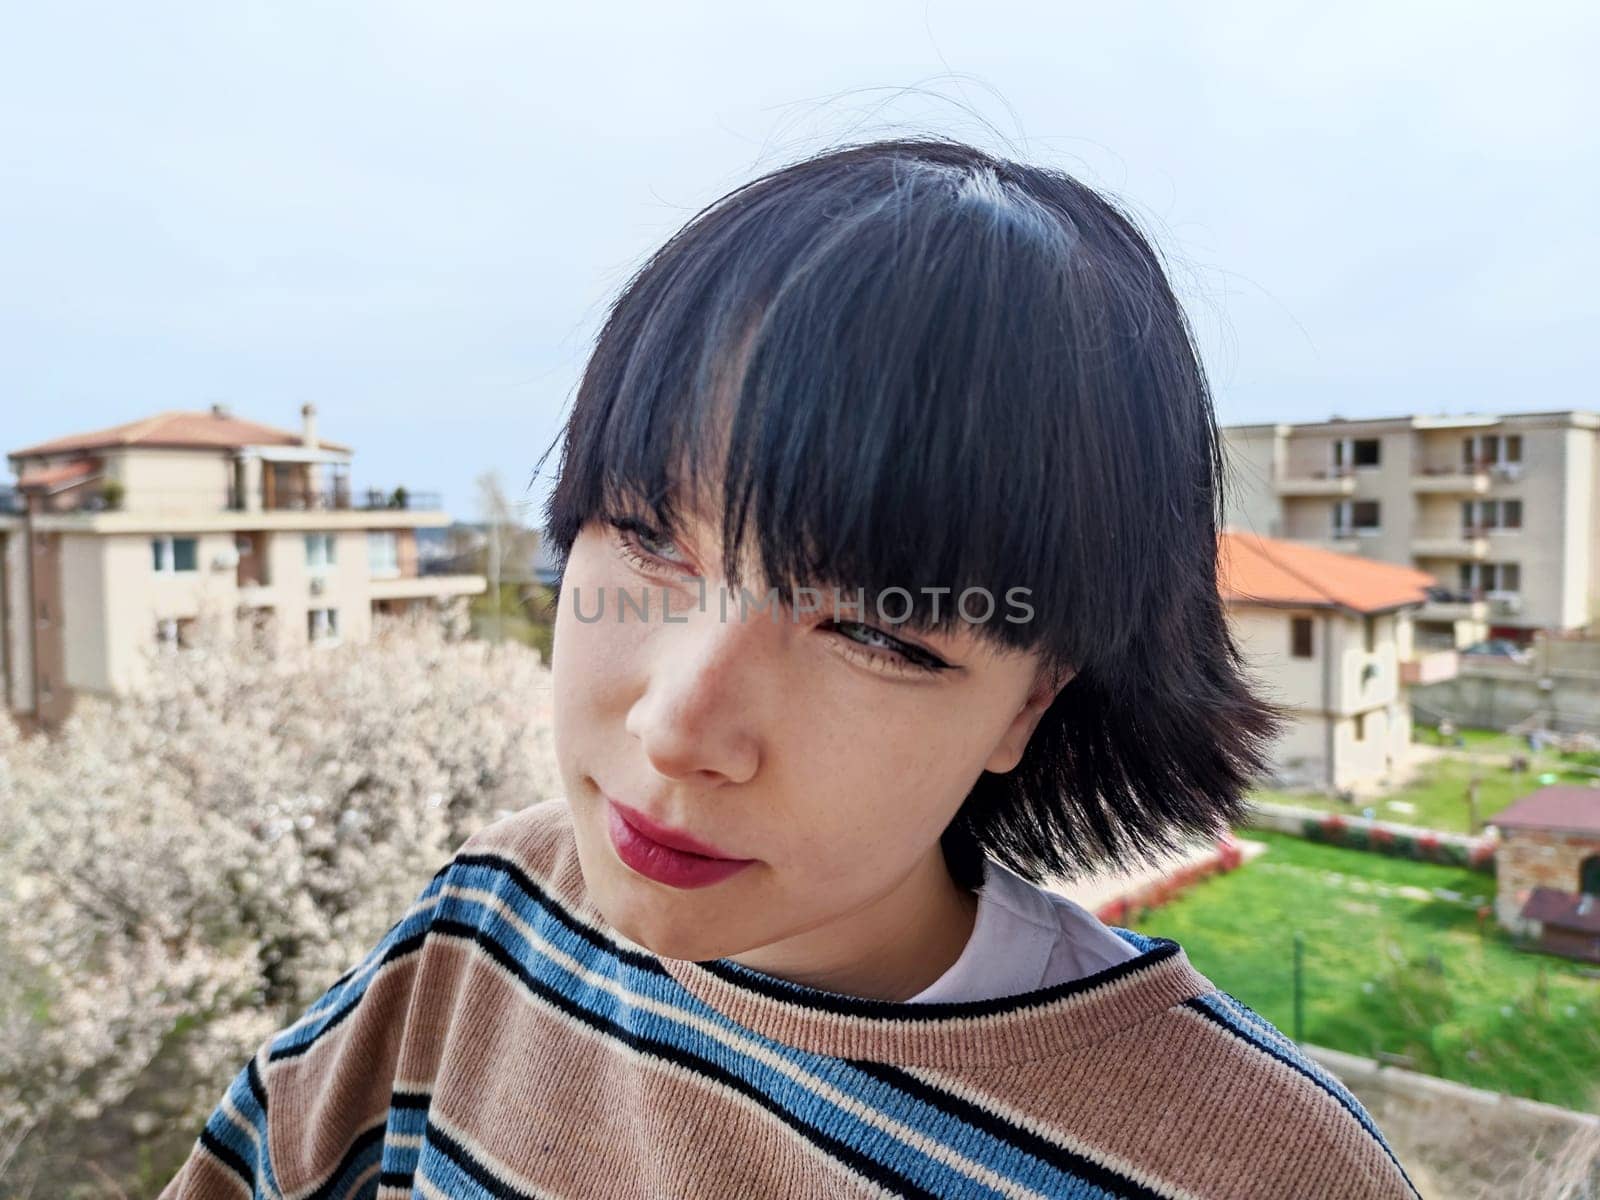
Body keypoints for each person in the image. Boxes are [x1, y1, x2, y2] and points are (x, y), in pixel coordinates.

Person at [162, 137, 1420, 1198]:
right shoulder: (490, 921)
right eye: (650, 536)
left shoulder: (1249, 1170)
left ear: (1031, 698)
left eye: (875, 631)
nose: (679, 725)